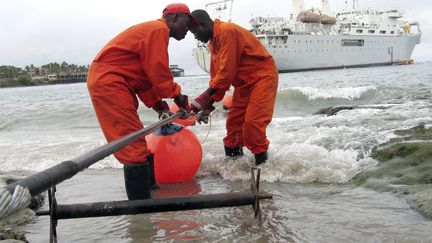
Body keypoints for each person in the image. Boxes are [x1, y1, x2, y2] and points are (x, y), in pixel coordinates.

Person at [87, 3, 197, 200]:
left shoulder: (156, 32)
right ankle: (141, 212)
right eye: (186, 23)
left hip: (118, 82)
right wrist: (179, 97)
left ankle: (151, 193)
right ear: (173, 19)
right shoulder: (158, 30)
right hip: (109, 83)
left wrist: (160, 106)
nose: (188, 30)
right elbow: (160, 75)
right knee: (132, 147)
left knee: (138, 145)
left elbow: (145, 80)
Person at [189, 10, 278, 166]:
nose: (195, 37)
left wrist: (200, 101)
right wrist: (208, 106)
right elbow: (218, 77)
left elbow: (226, 74)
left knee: (253, 125)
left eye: (194, 32)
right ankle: (234, 171)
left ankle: (263, 172)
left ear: (202, 24)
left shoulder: (227, 31)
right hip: (243, 84)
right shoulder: (213, 42)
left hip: (262, 78)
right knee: (233, 126)